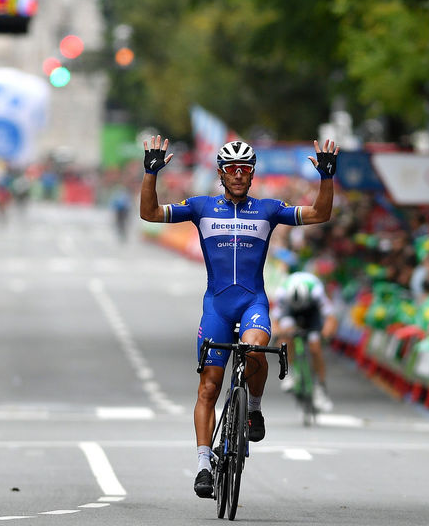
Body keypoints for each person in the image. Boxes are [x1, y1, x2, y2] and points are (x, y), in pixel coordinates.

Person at [139, 135, 339, 498]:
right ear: (220, 173)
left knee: (255, 349)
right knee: (210, 386)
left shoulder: (268, 209)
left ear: (252, 174)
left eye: (245, 169)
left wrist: (327, 179)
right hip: (216, 305)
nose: (238, 174)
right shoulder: (200, 207)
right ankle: (202, 465)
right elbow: (150, 214)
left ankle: (255, 409)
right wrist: (150, 174)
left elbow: (319, 214)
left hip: (253, 303)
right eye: (231, 169)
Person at [272, 270, 338, 411]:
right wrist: (279, 334)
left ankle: (320, 387)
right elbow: (275, 321)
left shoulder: (316, 292)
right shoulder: (282, 293)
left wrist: (325, 333)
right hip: (290, 312)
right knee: (286, 336)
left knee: (315, 348)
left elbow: (330, 317)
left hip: (312, 312)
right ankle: (289, 373)